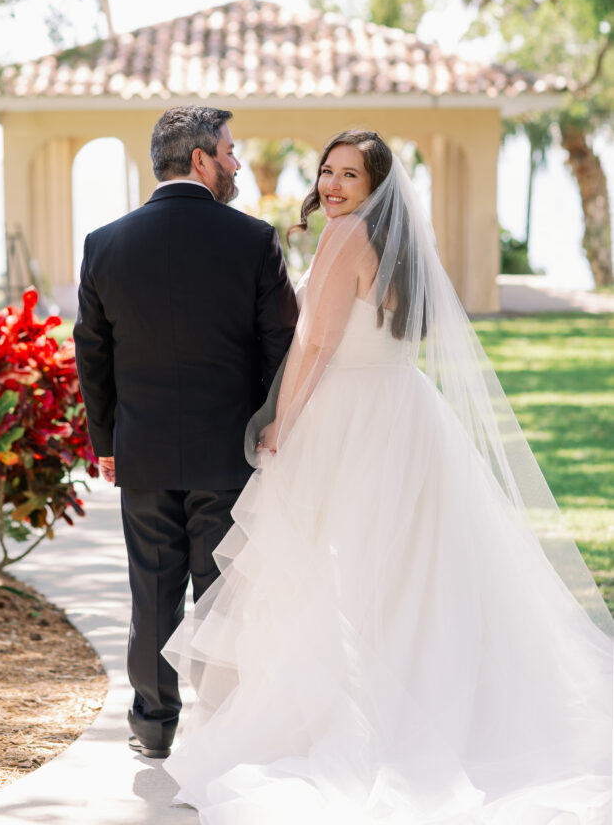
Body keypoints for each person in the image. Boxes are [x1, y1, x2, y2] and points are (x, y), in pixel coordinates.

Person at [162, 128, 613, 824]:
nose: (333, 186)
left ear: (375, 187)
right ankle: (424, 705)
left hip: (347, 419)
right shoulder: (397, 244)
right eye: (327, 172)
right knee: (410, 573)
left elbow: (316, 345)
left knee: (329, 571)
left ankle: (351, 720)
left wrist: (282, 421)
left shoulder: (344, 236)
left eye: (349, 175)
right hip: (406, 413)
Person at [73, 105, 297, 759]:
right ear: (199, 159)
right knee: (224, 596)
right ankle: (224, 729)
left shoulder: (104, 243)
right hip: (230, 452)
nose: (235, 164)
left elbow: (93, 352)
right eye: (228, 152)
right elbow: (279, 345)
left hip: (141, 452)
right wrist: (266, 427)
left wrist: (106, 442)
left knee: (152, 594)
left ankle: (153, 726)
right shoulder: (252, 240)